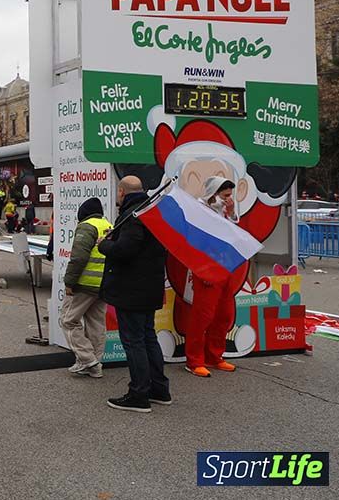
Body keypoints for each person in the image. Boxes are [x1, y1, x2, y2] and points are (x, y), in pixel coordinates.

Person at [98, 176, 170, 413]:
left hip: (131, 290)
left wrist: (104, 245)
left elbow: (125, 249)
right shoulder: (150, 211)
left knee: (134, 341)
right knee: (148, 337)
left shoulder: (133, 216)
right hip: (149, 288)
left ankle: (139, 393)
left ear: (121, 192)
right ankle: (159, 389)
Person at [183, 176, 242, 378]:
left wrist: (231, 212)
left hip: (225, 267)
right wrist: (202, 269)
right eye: (225, 195)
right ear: (214, 194)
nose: (228, 199)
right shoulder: (199, 210)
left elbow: (234, 233)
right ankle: (194, 360)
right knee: (203, 316)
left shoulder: (225, 210)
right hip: (206, 269)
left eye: (230, 195)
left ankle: (214, 356)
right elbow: (194, 242)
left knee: (224, 314)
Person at [59, 197, 111, 378]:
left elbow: (79, 258)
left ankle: (87, 359)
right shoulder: (108, 225)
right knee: (96, 324)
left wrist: (69, 282)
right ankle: (95, 366)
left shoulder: (87, 226)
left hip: (85, 284)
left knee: (68, 320)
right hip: (103, 284)